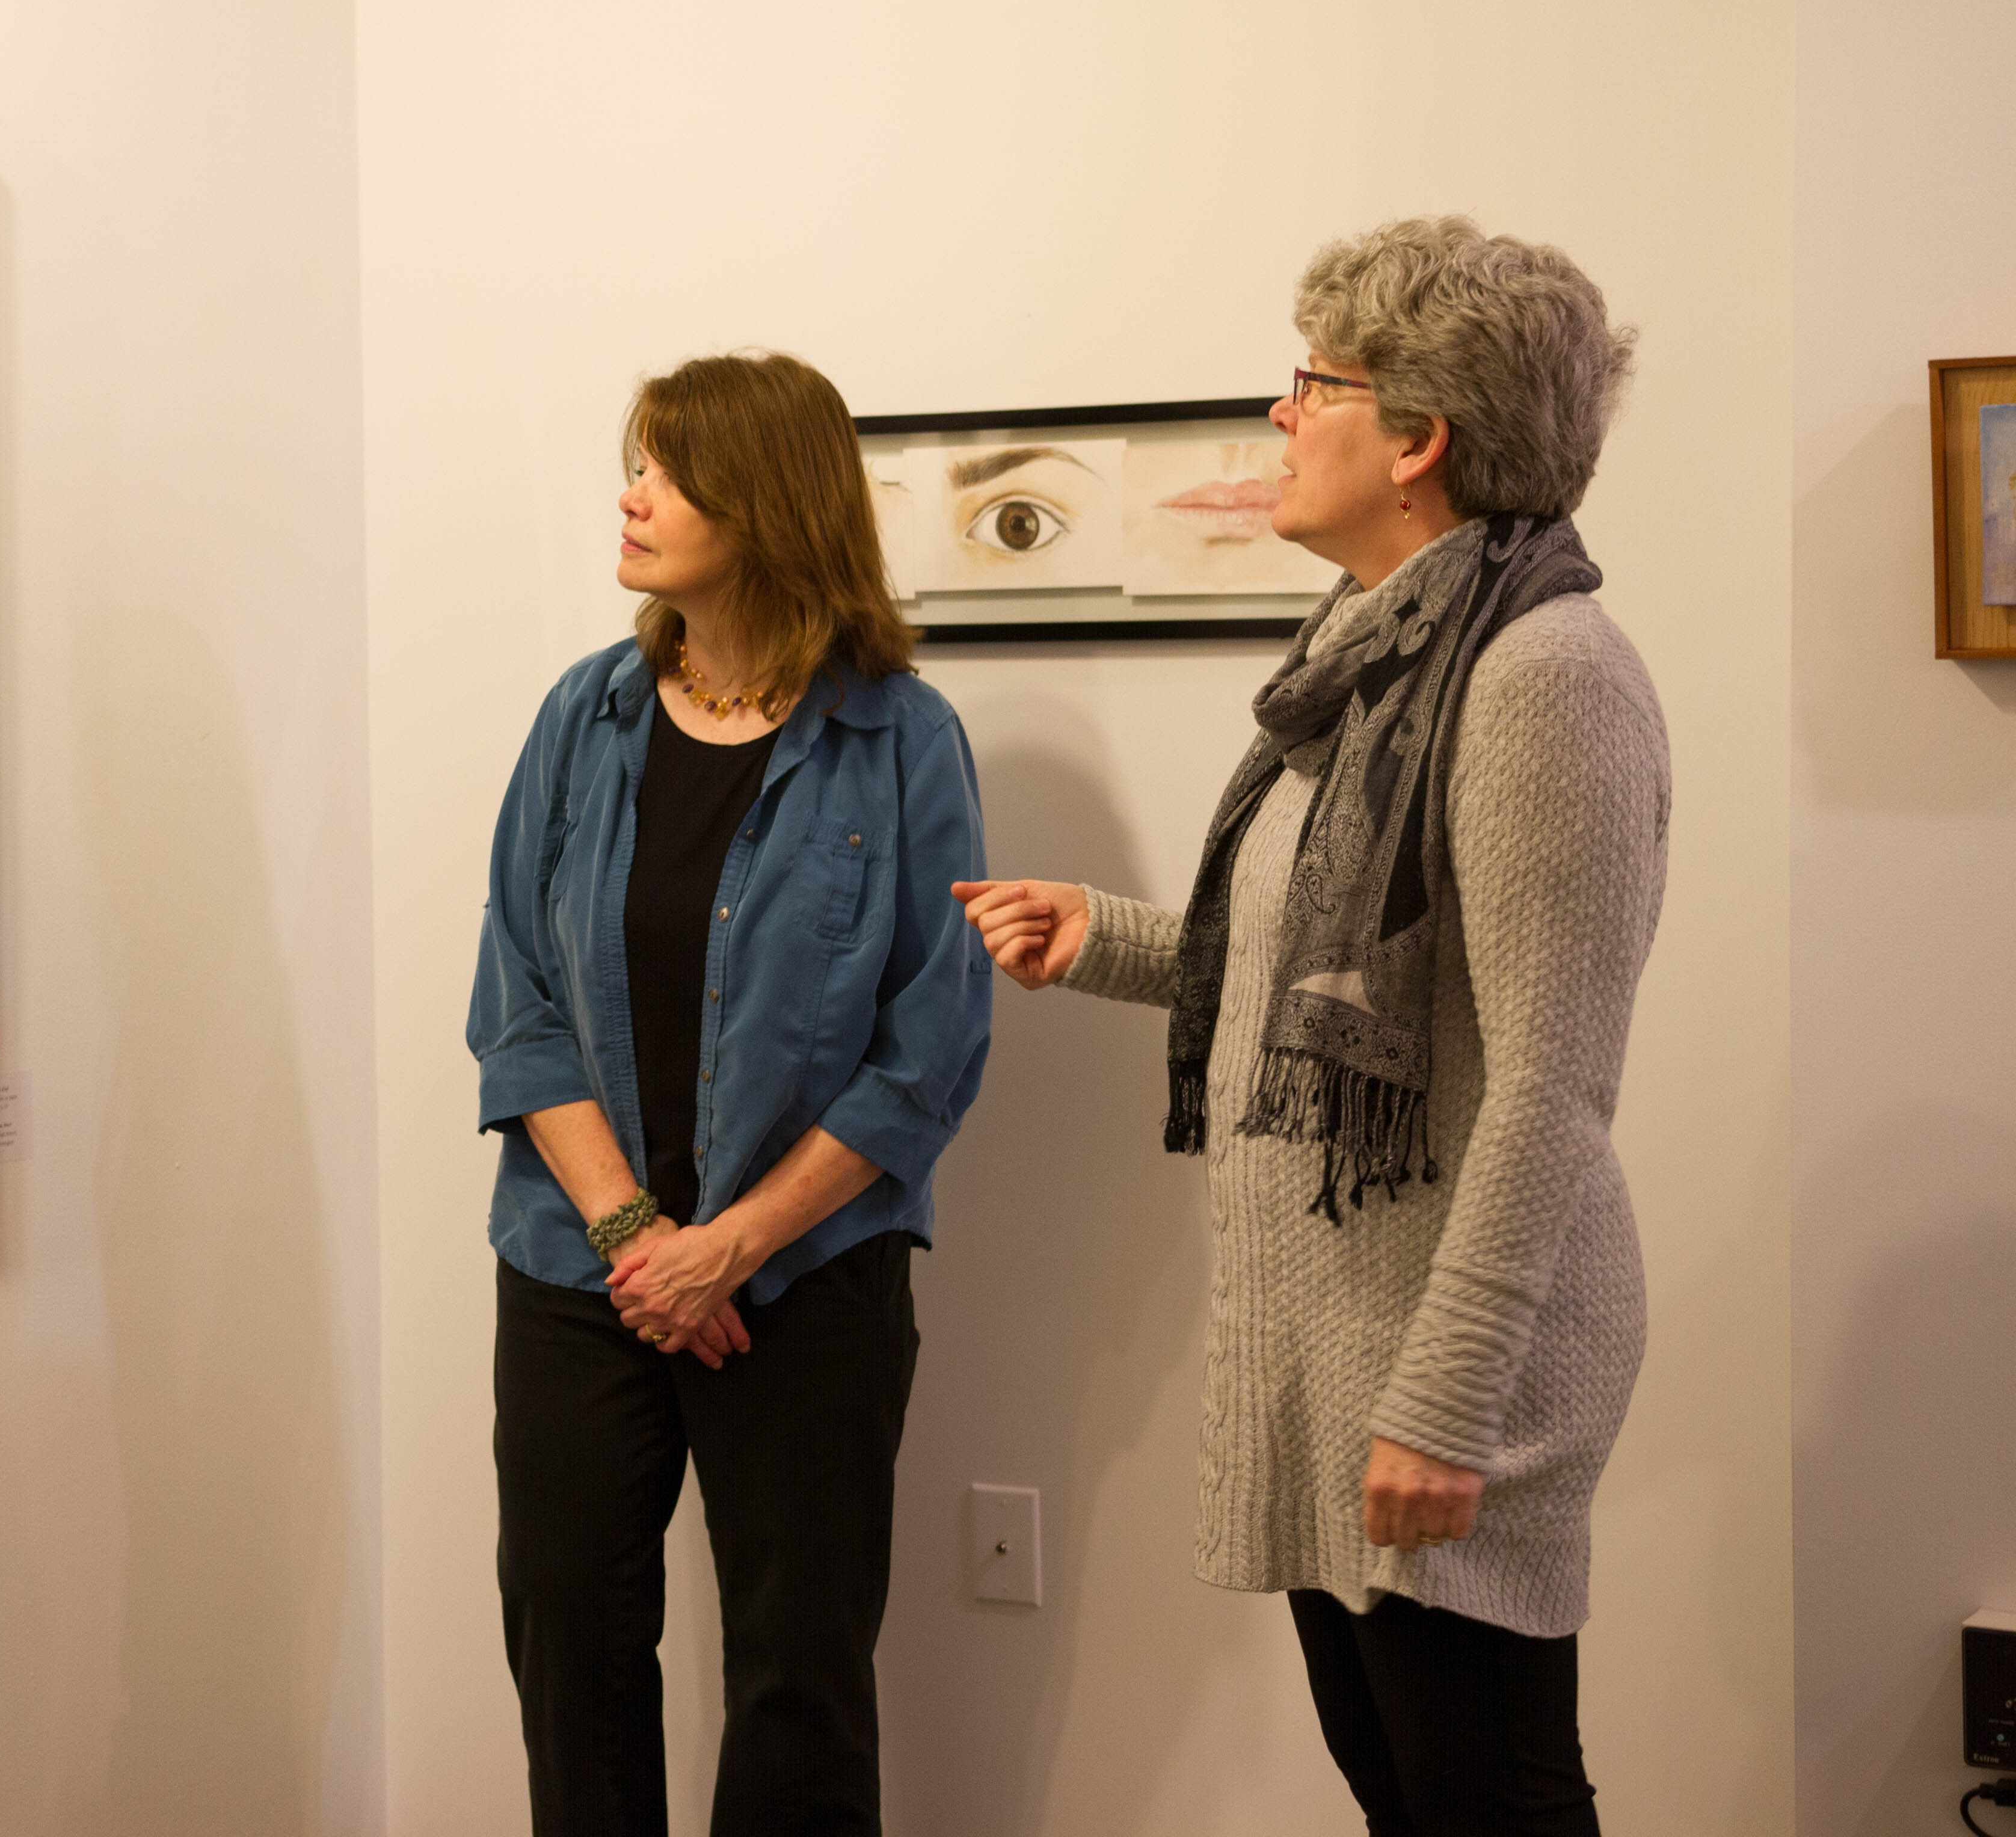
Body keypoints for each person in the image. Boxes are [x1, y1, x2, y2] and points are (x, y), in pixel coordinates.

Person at [959, 218, 1668, 1836]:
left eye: (1313, 384)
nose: (1281, 416)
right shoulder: (1373, 664)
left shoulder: (1544, 675)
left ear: (1416, 440)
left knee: (1487, 1798)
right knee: (1407, 1797)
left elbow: (1554, 1083)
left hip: (1452, 1356)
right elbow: (1327, 977)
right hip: (1345, 1330)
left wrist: (1446, 1400)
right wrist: (1112, 939)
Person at [468, 350, 992, 1837]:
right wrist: (644, 1236)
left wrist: (734, 1244)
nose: (632, 497)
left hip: (807, 1286)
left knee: (799, 1684)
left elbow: (929, 1048)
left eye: (670, 472)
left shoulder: (902, 742)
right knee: (568, 1650)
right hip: (582, 1275)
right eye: (637, 465)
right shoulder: (588, 719)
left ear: (764, 504)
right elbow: (518, 1007)